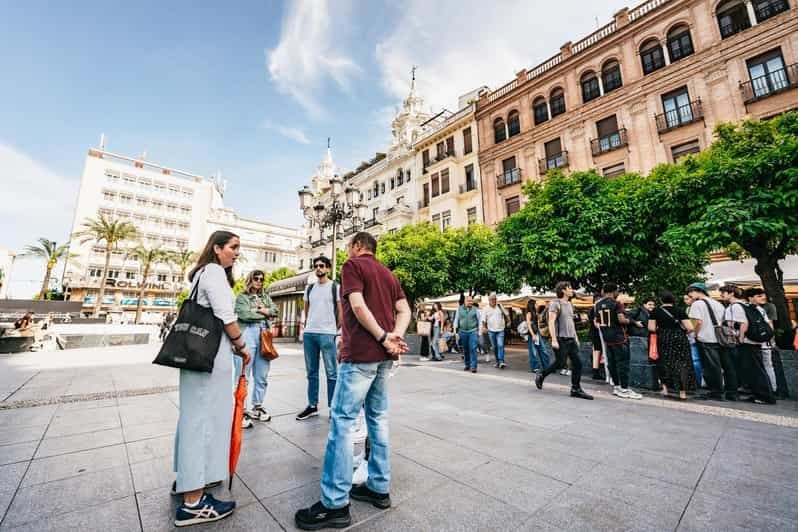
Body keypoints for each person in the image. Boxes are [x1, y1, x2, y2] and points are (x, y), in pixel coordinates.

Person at [295, 232, 410, 530]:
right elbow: (404, 310)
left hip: (360, 354)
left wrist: (385, 337)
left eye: (348, 248)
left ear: (357, 246)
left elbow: (358, 307)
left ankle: (334, 504)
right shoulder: (388, 274)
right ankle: (378, 487)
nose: (347, 252)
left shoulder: (353, 267)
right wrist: (394, 337)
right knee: (378, 420)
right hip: (385, 357)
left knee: (343, 424)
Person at [172, 231, 251, 527]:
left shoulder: (201, 274)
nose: (236, 253)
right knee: (202, 423)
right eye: (233, 247)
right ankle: (193, 503)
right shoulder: (215, 272)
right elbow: (225, 314)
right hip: (209, 360)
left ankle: (187, 481)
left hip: (195, 357)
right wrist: (242, 346)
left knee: (192, 419)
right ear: (216, 249)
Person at [297, 255, 342, 421]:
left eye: (322, 265)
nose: (318, 268)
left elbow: (341, 310)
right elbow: (307, 310)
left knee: (332, 373)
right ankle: (312, 405)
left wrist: (336, 329)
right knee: (311, 372)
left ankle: (333, 408)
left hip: (328, 333)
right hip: (310, 334)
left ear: (328, 268)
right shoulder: (309, 288)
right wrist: (308, 326)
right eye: (316, 266)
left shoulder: (335, 287)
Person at [234, 269, 278, 426]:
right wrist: (264, 312)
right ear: (250, 279)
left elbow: (275, 311)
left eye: (261, 279)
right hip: (247, 333)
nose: (259, 281)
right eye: (256, 278)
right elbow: (245, 315)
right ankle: (241, 410)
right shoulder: (242, 297)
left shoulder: (265, 297)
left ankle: (257, 406)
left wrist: (264, 310)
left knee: (262, 374)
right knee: (243, 374)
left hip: (263, 335)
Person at [535, 282, 593, 400]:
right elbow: (551, 322)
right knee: (560, 363)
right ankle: (542, 374)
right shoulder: (555, 304)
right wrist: (554, 339)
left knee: (578, 364)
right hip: (561, 339)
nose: (572, 290)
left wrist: (575, 336)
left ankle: (575, 389)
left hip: (570, 339)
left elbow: (570, 322)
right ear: (563, 290)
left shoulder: (570, 304)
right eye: (569, 288)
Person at [687, 282, 736, 401]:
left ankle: (717, 392)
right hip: (721, 338)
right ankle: (732, 392)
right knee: (727, 366)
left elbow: (698, 322)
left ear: (696, 291)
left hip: (707, 338)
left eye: (690, 292)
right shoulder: (717, 303)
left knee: (712, 367)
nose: (689, 295)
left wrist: (695, 334)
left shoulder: (697, 304)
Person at [592, 283, 642, 400]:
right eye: (618, 291)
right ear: (614, 291)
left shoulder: (597, 305)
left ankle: (617, 387)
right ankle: (624, 389)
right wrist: (633, 322)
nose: (618, 293)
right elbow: (621, 319)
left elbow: (596, 321)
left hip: (607, 338)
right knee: (623, 364)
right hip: (619, 338)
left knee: (612, 363)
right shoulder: (616, 304)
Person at [648, 290, 695, 400]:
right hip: (679, 338)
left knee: (664, 363)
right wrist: (682, 333)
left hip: (664, 338)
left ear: (661, 300)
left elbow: (651, 328)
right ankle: (682, 392)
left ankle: (665, 389)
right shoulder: (680, 310)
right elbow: (690, 328)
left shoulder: (656, 311)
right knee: (681, 364)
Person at [738, 287, 776, 404]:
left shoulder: (754, 309)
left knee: (760, 369)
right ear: (750, 298)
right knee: (764, 368)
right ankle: (769, 391)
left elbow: (745, 324)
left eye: (762, 295)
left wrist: (741, 337)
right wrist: (770, 338)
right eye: (759, 296)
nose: (763, 297)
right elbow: (769, 326)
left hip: (755, 342)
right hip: (763, 341)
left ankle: (765, 395)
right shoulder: (759, 309)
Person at [719, 284, 746, 389]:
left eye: (723, 293)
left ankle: (734, 388)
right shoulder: (743, 305)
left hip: (734, 340)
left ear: (731, 294)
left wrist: (740, 337)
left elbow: (741, 323)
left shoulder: (735, 306)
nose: (721, 295)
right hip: (738, 340)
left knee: (731, 365)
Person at [453, 295, 481, 373]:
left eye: (471, 301)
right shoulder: (459, 309)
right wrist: (455, 330)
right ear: (465, 301)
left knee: (473, 348)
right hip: (463, 331)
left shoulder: (476, 309)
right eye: (469, 301)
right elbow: (456, 319)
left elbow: (479, 320)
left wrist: (480, 331)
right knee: (465, 349)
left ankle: (473, 366)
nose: (470, 302)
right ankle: (467, 364)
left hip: (473, 331)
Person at [482, 294, 508, 369]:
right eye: (492, 299)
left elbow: (506, 314)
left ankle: (501, 361)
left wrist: (509, 321)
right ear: (489, 300)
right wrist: (484, 327)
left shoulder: (500, 306)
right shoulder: (485, 308)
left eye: (495, 299)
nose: (493, 300)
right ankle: (497, 361)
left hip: (500, 329)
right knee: (494, 347)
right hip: (491, 330)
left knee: (500, 345)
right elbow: (483, 319)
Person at [683, 294, 703, 387]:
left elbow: (697, 322)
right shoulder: (688, 308)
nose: (685, 301)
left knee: (695, 360)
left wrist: (693, 332)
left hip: (693, 336)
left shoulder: (694, 308)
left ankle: (697, 382)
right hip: (693, 335)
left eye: (687, 299)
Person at [524, 299, 547, 372]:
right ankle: (535, 367)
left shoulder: (535, 313)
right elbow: (528, 325)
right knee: (533, 352)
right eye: (536, 304)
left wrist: (539, 332)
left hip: (537, 333)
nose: (537, 305)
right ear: (532, 305)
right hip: (532, 334)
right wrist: (533, 335)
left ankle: (546, 366)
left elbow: (537, 324)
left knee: (543, 350)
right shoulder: (529, 313)